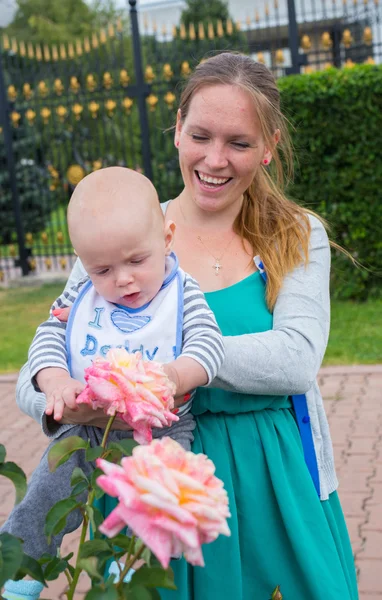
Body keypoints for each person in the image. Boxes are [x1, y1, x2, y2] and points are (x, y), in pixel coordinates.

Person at [13, 53, 358, 600]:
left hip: (271, 478)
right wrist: (61, 399)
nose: (215, 159)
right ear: (176, 130)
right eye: (200, 135)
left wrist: (158, 373)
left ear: (267, 147)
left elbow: (296, 358)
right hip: (148, 485)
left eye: (239, 143)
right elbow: (45, 362)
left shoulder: (297, 233)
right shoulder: (124, 231)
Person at [0, 167, 225, 600]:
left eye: (137, 261)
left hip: (163, 426)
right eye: (102, 269)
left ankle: (131, 564)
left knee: (156, 497)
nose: (122, 280)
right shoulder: (83, 296)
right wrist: (56, 380)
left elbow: (209, 347)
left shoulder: (181, 294)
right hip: (89, 425)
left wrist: (174, 375)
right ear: (82, 262)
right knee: (47, 488)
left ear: (166, 237)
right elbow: (48, 337)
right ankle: (24, 567)